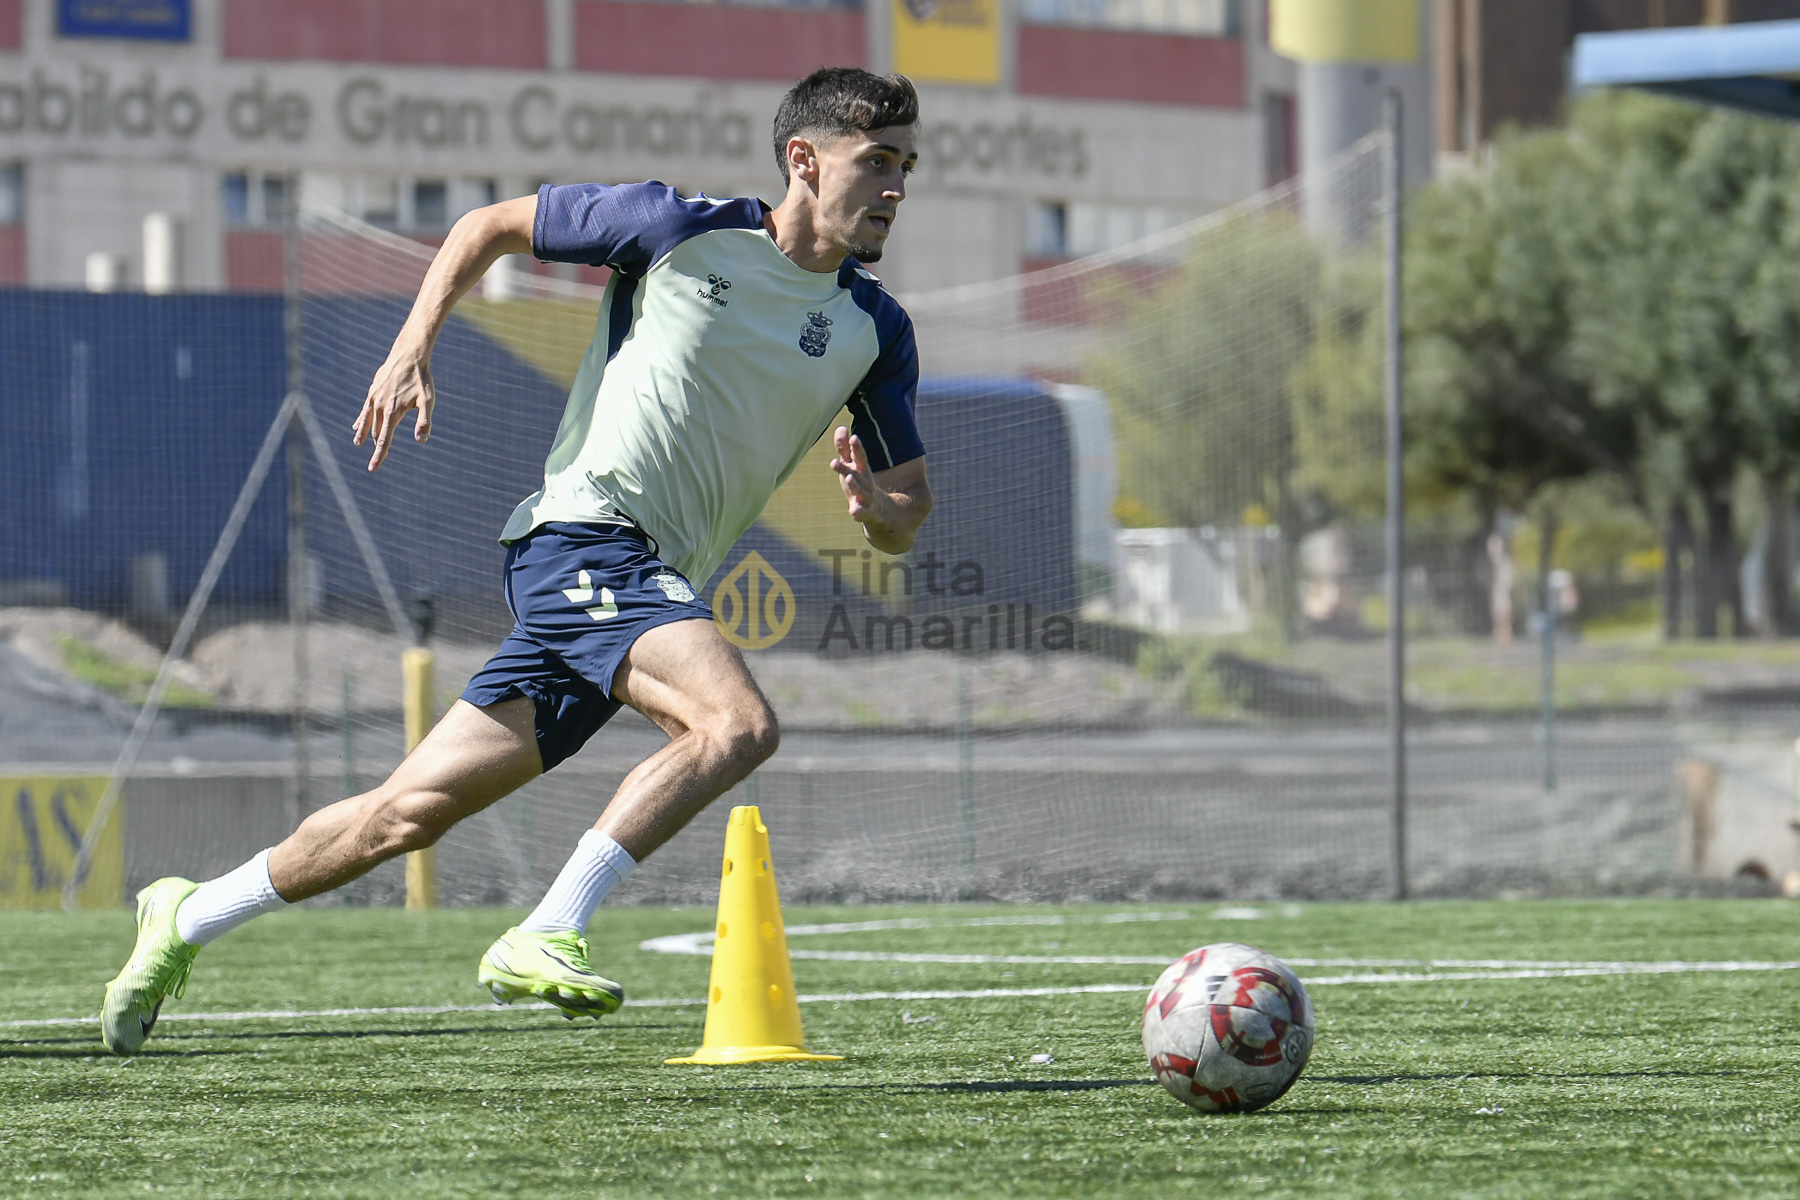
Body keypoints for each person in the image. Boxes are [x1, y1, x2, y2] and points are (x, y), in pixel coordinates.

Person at [101, 67, 931, 1055]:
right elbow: (488, 225)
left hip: (637, 586)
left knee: (403, 816)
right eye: (876, 161)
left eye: (906, 166)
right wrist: (412, 344)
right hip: (584, 540)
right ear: (804, 159)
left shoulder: (877, 331)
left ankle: (184, 914)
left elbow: (907, 508)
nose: (896, 187)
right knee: (736, 724)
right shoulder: (675, 228)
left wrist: (880, 515)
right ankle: (549, 927)